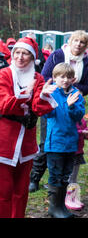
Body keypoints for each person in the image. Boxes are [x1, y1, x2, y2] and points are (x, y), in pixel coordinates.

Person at [0, 37, 57, 218]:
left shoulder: (37, 77)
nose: (20, 57)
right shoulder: (4, 75)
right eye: (17, 52)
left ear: (32, 57)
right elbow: (4, 104)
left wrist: (43, 96)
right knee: (4, 191)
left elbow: (38, 109)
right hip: (4, 142)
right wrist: (26, 94)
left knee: (21, 191)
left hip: (26, 143)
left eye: (25, 53)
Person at [29, 30, 88, 193]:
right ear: (70, 41)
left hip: (72, 101)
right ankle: (35, 178)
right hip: (53, 101)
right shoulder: (57, 55)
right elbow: (45, 77)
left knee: (69, 143)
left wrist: (72, 87)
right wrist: (58, 88)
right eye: (76, 41)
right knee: (46, 143)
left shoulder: (86, 62)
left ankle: (61, 183)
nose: (79, 44)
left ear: (85, 46)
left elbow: (87, 86)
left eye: (82, 42)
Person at [44, 63, 85, 218]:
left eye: (69, 77)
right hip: (55, 143)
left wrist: (72, 107)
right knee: (55, 174)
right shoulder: (51, 93)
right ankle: (54, 208)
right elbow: (47, 114)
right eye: (62, 77)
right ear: (54, 78)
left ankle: (61, 206)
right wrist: (64, 104)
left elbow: (79, 115)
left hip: (70, 143)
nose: (65, 80)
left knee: (66, 175)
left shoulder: (76, 94)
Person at [65, 117, 88, 211]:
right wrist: (81, 133)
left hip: (78, 150)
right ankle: (67, 198)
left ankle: (74, 197)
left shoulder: (81, 117)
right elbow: (69, 130)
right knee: (70, 175)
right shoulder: (69, 115)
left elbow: (84, 126)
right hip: (71, 150)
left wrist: (86, 135)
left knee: (74, 176)